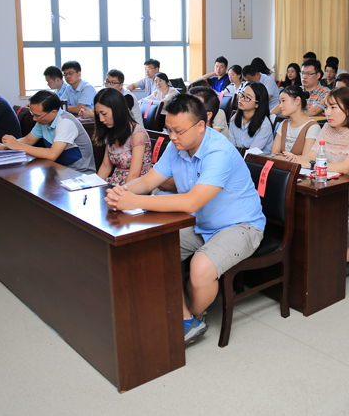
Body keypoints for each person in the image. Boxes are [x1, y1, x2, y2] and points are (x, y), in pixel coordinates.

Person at [103, 94, 267, 347]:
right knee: (153, 247)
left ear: (201, 125)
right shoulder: (177, 146)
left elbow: (191, 202)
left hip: (240, 225)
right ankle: (185, 318)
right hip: (201, 221)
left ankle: (194, 317)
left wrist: (133, 201)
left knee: (200, 268)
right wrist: (121, 192)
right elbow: (148, 181)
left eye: (178, 131)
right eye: (169, 130)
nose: (172, 137)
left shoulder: (219, 151)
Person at [283, 87, 349, 281]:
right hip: (331, 198)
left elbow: (346, 167)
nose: (327, 112)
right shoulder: (327, 129)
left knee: (327, 250)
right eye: (326, 107)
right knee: (317, 246)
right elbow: (311, 156)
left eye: (333, 107)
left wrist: (315, 165)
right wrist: (294, 159)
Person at [0, 90, 95, 174]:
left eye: (38, 116)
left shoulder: (65, 122)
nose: (35, 119)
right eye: (33, 114)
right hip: (58, 169)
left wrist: (17, 146)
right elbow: (28, 140)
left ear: (53, 112)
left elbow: (52, 154)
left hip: (79, 174)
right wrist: (5, 146)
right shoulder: (43, 121)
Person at [92, 88, 152, 186]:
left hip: (136, 186)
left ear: (117, 110)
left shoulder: (138, 134)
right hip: (116, 183)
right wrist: (94, 187)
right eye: (98, 114)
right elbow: (106, 166)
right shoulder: (110, 130)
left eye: (104, 114)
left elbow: (134, 175)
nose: (101, 119)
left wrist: (120, 193)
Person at [79, 70, 145, 128]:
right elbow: (99, 108)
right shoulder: (109, 96)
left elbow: (117, 117)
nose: (109, 85)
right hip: (119, 128)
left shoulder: (127, 97)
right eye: (107, 82)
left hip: (134, 130)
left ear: (121, 85)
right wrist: (85, 112)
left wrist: (90, 115)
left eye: (113, 83)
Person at [271, 86, 321, 157]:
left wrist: (284, 157)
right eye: (280, 102)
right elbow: (274, 153)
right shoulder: (284, 124)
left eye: (283, 101)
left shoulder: (312, 127)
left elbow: (306, 158)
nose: (280, 106)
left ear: (297, 101)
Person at [228, 82, 273, 152]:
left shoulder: (264, 124)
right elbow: (231, 147)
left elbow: (253, 152)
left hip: (256, 158)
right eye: (242, 94)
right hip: (238, 156)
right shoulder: (234, 119)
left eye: (248, 97)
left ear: (257, 104)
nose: (242, 99)